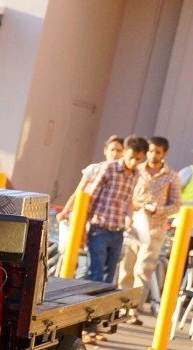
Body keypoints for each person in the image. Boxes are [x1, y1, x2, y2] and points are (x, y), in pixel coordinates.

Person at [116, 136, 180, 325]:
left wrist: (157, 210)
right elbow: (128, 196)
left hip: (155, 229)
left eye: (157, 152)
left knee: (142, 270)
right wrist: (136, 205)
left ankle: (132, 311)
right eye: (150, 151)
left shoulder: (171, 176)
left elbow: (176, 205)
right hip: (135, 226)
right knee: (126, 269)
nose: (153, 155)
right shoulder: (138, 170)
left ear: (164, 154)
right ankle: (120, 307)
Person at [83, 134, 147, 284]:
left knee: (108, 276)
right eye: (131, 157)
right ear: (124, 151)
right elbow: (90, 197)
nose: (133, 162)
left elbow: (129, 200)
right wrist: (83, 227)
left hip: (118, 230)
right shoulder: (107, 168)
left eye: (138, 159)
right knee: (95, 273)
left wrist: (129, 217)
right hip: (99, 227)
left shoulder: (136, 174)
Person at [57, 134, 125, 223]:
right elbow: (79, 191)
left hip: (108, 220)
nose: (115, 153)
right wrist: (65, 211)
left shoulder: (125, 174)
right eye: (112, 150)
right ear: (105, 150)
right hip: (84, 213)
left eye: (119, 150)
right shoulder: (94, 168)